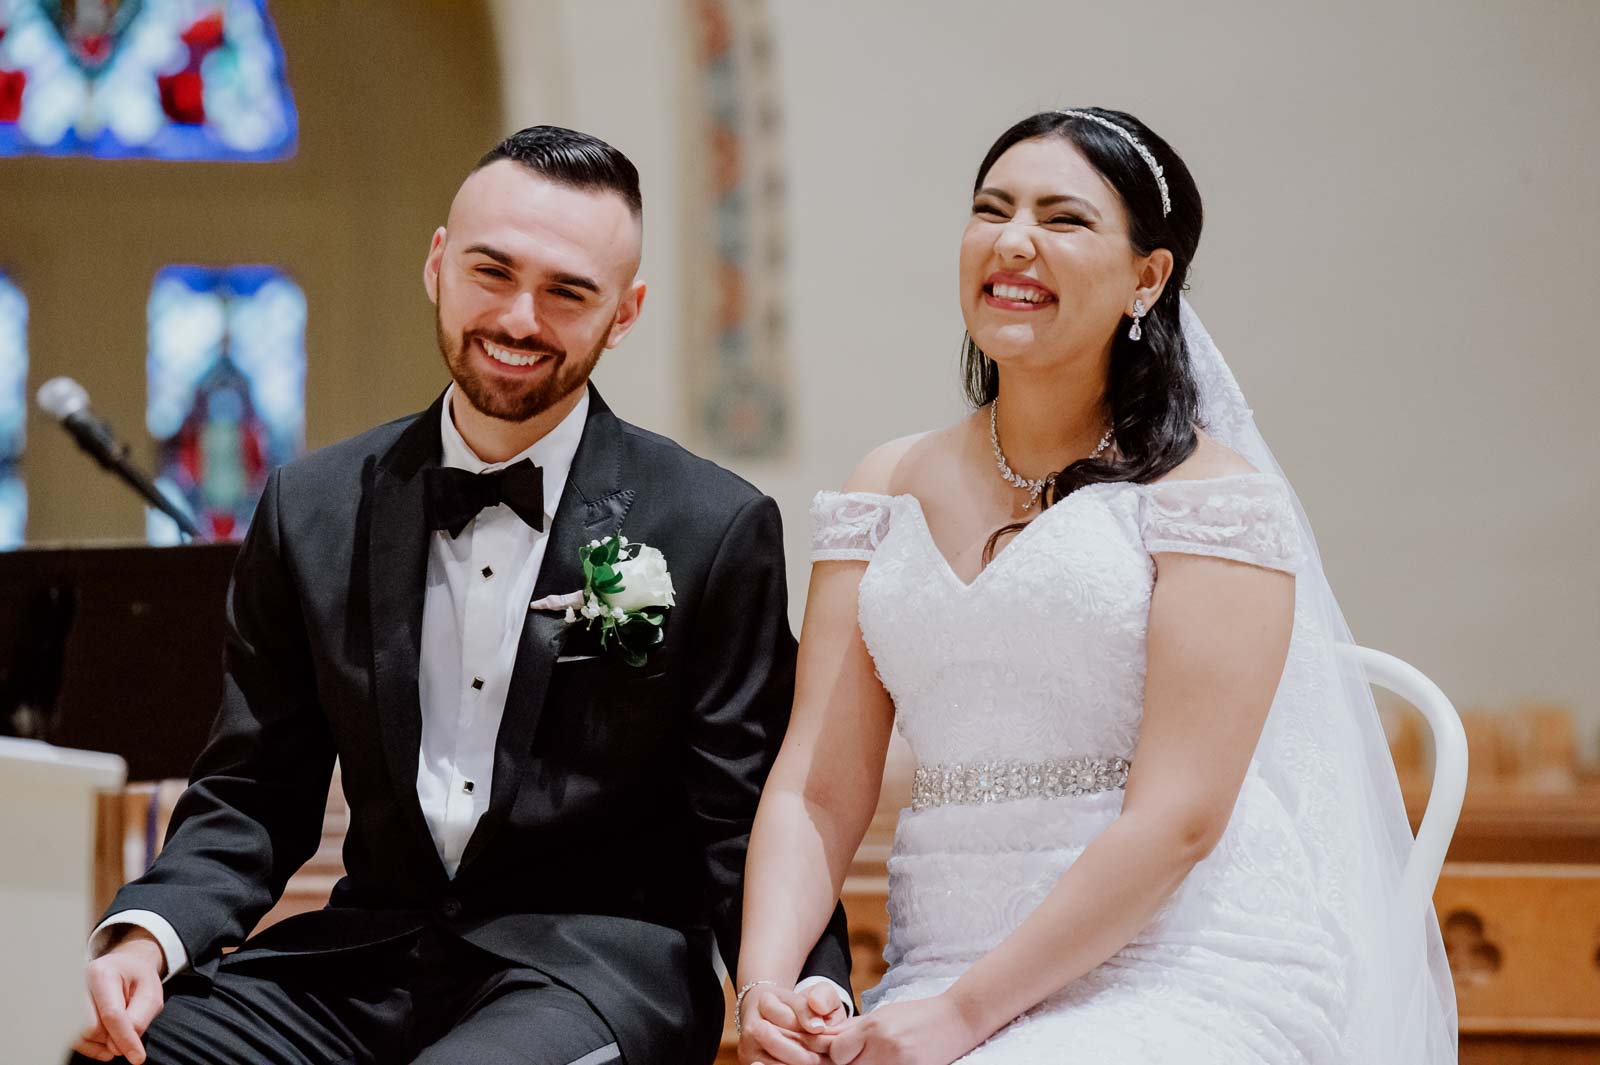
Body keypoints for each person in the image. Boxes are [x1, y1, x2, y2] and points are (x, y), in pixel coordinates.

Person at [73, 125, 852, 1065]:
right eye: (494, 272)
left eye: (568, 292)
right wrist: (152, 929)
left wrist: (800, 983)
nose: (521, 318)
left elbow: (745, 811)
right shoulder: (312, 507)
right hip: (363, 960)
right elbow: (253, 786)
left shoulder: (711, 526)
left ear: (626, 312)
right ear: (439, 264)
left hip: (593, 974)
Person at [735, 108, 1456, 1064]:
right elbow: (819, 787)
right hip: (939, 965)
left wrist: (962, 1017)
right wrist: (766, 987)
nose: (1014, 240)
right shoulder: (884, 487)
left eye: (1063, 219)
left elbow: (1178, 820)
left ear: (1147, 278)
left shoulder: (1211, 501)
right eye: (991, 209)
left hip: (1186, 970)